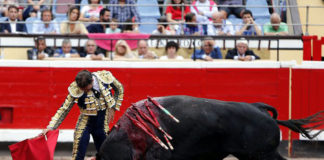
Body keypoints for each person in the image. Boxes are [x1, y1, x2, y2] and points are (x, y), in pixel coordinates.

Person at [43, 69, 124, 160]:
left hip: (102, 124)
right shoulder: (76, 88)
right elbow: (64, 109)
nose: (85, 91)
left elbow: (119, 88)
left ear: (92, 81)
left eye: (87, 89)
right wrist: (51, 127)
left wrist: (113, 107)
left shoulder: (104, 77)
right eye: (83, 90)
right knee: (78, 155)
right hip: (85, 124)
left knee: (106, 156)